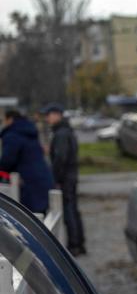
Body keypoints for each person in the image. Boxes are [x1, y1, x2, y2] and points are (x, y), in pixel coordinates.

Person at [42, 104, 85, 256]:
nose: (47, 118)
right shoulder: (65, 131)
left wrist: (56, 178)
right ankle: (79, 243)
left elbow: (60, 158)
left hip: (65, 177)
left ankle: (74, 245)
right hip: (70, 175)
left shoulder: (61, 133)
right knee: (73, 209)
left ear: (57, 115)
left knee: (69, 211)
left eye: (49, 115)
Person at [0, 109, 54, 214]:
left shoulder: (12, 135)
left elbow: (7, 161)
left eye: (4, 120)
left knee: (29, 219)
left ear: (10, 119)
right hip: (42, 179)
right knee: (40, 219)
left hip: (28, 183)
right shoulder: (29, 132)